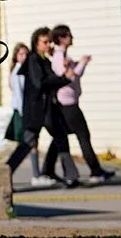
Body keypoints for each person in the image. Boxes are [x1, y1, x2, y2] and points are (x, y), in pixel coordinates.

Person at [5, 27, 79, 188]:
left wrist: (62, 76)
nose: (48, 45)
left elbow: (51, 79)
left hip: (48, 109)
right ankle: (5, 174)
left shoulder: (44, 60)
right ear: (36, 43)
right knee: (27, 143)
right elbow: (40, 83)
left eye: (49, 42)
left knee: (60, 137)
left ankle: (70, 175)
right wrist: (63, 79)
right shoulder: (33, 60)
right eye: (45, 42)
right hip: (36, 110)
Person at [43, 25, 114, 183]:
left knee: (60, 137)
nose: (72, 38)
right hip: (68, 104)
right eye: (68, 35)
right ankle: (95, 171)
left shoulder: (61, 55)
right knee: (83, 136)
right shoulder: (59, 56)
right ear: (62, 38)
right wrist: (82, 63)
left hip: (68, 103)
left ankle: (47, 169)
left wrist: (78, 64)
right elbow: (68, 77)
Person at [5, 42, 52, 186]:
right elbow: (19, 95)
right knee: (27, 143)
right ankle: (32, 175)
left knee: (31, 143)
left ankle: (36, 174)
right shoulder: (18, 72)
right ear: (16, 56)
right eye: (21, 54)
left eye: (26, 54)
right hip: (22, 112)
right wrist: (24, 113)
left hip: (27, 111)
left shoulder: (27, 69)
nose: (24, 56)